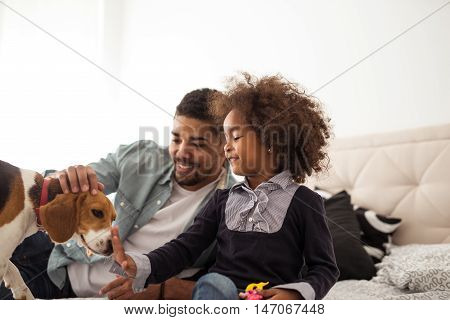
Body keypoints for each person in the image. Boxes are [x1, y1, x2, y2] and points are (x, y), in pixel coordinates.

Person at [100, 73, 340, 300]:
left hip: (269, 304)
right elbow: (184, 248)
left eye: (235, 137)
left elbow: (324, 268)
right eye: (225, 139)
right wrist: (141, 264)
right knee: (214, 283)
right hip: (221, 293)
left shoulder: (305, 202)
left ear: (271, 140)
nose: (226, 148)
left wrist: (295, 294)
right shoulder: (222, 199)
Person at [0, 88, 236, 300]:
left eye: (197, 144)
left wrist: (165, 289)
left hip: (53, 281)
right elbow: (74, 185)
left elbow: (229, 282)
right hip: (46, 246)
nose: (181, 152)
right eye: (176, 138)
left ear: (225, 146)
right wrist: (69, 177)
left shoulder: (234, 206)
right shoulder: (143, 156)